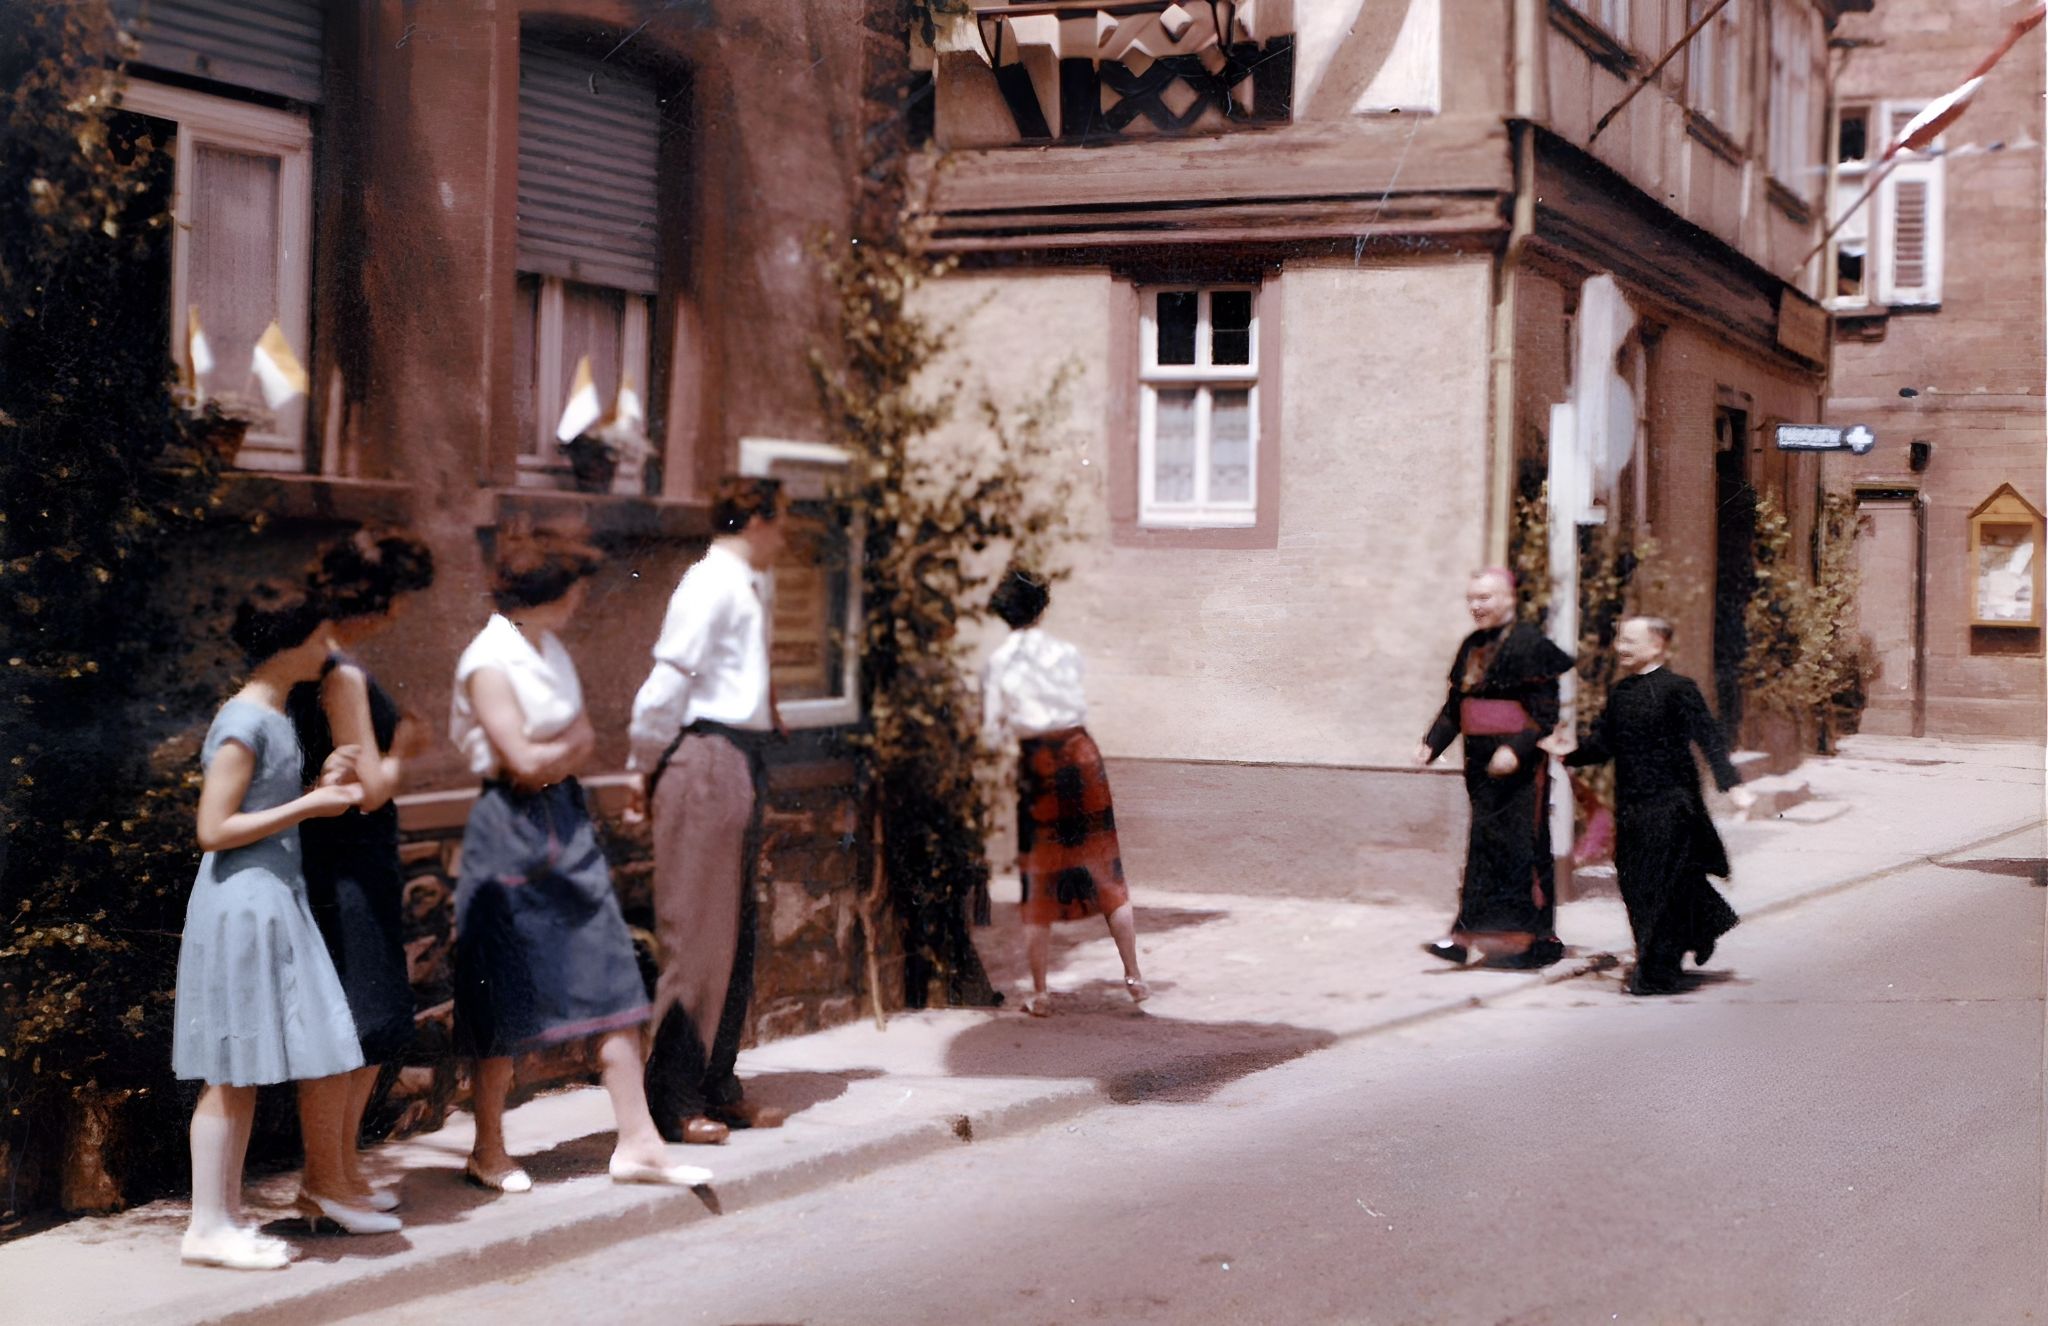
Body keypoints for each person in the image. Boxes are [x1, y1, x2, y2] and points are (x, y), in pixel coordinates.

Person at [449, 528, 710, 1191]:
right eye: (573, 590)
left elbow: (573, 745)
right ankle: (488, 1149)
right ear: (548, 592)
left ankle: (639, 1143)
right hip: (509, 827)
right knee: (503, 989)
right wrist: (563, 750)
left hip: (565, 818)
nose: (580, 601)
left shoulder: (549, 649)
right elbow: (523, 763)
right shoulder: (488, 661)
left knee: (610, 972)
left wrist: (559, 752)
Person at [173, 582, 395, 1271]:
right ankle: (207, 1226)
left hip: (269, 895)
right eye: (319, 635)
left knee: (239, 1071)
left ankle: (223, 1219)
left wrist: (317, 788)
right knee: (229, 1070)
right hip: (244, 900)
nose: (329, 646)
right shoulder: (246, 718)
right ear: (290, 643)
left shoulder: (269, 713)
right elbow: (213, 828)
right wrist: (308, 808)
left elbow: (259, 803)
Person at [627, 477, 790, 1145]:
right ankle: (672, 1100)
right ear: (753, 519)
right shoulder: (709, 583)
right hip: (705, 753)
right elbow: (668, 680)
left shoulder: (744, 585)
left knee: (734, 936)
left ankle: (717, 1083)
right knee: (697, 937)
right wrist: (641, 765)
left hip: (741, 756)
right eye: (780, 522)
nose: (784, 537)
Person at [285, 529, 435, 1212]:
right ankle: (325, 1181)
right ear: (383, 599)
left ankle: (341, 1174)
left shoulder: (317, 659)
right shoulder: (340, 672)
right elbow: (367, 788)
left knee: (364, 1021)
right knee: (356, 1016)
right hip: (347, 859)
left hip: (340, 856)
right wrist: (405, 750)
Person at [1540, 616, 1757, 995]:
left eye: (1629, 640)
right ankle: (1697, 931)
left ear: (1657, 645)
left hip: (1672, 804)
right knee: (1635, 884)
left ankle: (1656, 972)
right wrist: (1566, 753)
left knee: (1659, 885)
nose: (1620, 647)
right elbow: (1603, 743)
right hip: (1632, 806)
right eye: (1619, 640)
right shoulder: (1621, 692)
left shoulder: (1679, 689)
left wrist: (1733, 786)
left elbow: (1709, 737)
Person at [981, 568, 1147, 1017]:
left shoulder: (999, 662)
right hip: (1082, 754)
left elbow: (993, 732)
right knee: (1106, 868)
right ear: (1042, 607)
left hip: (1040, 763)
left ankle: (1040, 994)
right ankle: (1134, 977)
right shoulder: (1066, 653)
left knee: (1038, 877)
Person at [1415, 568, 1577, 969]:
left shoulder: (1531, 643)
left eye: (1484, 598)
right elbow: (1457, 706)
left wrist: (1515, 749)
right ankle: (1463, 937)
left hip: (1520, 769)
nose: (1475, 606)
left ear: (1509, 598)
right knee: (1483, 847)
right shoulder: (1472, 645)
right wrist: (1432, 743)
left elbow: (1545, 713)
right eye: (1471, 598)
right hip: (1480, 765)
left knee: (1523, 848)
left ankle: (1532, 940)